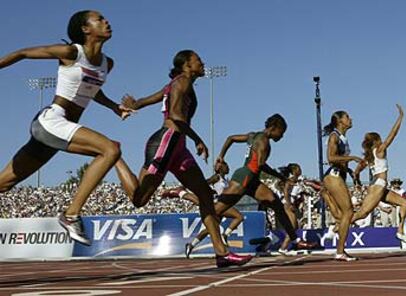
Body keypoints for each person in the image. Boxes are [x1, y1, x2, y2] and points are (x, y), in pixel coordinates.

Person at [0, 10, 129, 245]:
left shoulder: (107, 64)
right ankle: (71, 215)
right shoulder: (70, 53)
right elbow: (23, 53)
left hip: (60, 129)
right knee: (110, 150)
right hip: (51, 121)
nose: (106, 21)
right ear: (85, 29)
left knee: (4, 183)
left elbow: (92, 88)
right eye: (99, 19)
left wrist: (113, 106)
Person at [115, 50, 252, 268]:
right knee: (139, 199)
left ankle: (222, 253)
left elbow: (147, 100)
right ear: (187, 65)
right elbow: (176, 117)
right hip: (166, 143)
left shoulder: (175, 84)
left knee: (206, 195)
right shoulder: (183, 82)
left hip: (178, 148)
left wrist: (134, 103)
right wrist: (198, 139)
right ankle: (115, 157)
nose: (203, 62)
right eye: (198, 60)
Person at [212, 114, 317, 253]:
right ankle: (210, 243)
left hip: (252, 179)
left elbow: (230, 138)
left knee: (277, 205)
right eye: (282, 132)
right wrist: (281, 177)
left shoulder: (253, 135)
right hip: (244, 178)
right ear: (274, 128)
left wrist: (221, 156)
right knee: (216, 211)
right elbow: (261, 165)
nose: (282, 136)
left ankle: (295, 240)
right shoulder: (264, 141)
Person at [352, 105, 406, 243]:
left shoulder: (368, 156)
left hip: (380, 186)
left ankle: (400, 231)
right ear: (377, 141)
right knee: (362, 213)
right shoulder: (379, 150)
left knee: (404, 203)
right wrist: (400, 117)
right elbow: (393, 135)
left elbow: (356, 171)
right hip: (378, 185)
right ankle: (336, 228)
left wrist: (357, 180)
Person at [162, 161, 244, 258]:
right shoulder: (216, 177)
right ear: (222, 167)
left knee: (210, 229)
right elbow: (204, 183)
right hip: (217, 204)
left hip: (221, 204)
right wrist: (210, 191)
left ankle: (191, 245)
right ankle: (225, 235)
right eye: (227, 166)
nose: (229, 168)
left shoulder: (226, 180)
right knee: (239, 216)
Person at [320, 111, 363, 261]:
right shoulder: (334, 136)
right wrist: (352, 157)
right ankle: (340, 251)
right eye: (347, 117)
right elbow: (331, 158)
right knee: (348, 211)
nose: (350, 119)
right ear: (339, 121)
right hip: (333, 176)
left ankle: (339, 246)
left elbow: (339, 161)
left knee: (345, 213)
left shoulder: (343, 138)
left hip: (338, 175)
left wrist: (349, 170)